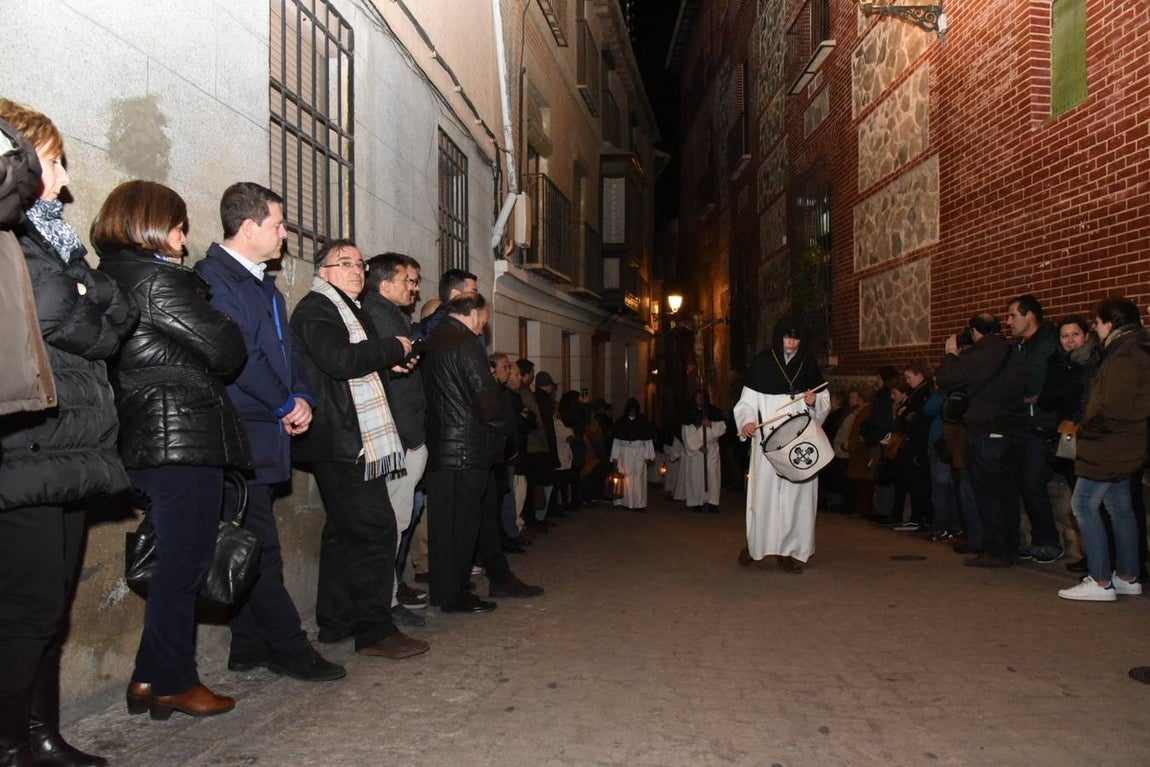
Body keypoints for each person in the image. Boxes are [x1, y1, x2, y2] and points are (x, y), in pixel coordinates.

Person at [0, 100, 134, 767]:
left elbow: (114, 314)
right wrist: (86, 299)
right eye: (53, 163)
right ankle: (8, 744)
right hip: (24, 445)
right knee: (26, 607)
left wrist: (87, 297)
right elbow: (61, 311)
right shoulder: (13, 236)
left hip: (71, 442)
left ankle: (40, 734)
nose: (64, 180)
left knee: (49, 607)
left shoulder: (54, 240)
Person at [94, 180, 251, 720]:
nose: (185, 239)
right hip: (177, 437)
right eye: (181, 225)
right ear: (155, 225)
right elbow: (227, 350)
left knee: (172, 563)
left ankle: (146, 678)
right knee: (184, 565)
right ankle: (174, 682)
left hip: (151, 436)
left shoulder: (113, 275)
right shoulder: (158, 281)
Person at [193, 182, 345, 682]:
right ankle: (288, 646)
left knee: (247, 537)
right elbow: (238, 356)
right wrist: (283, 402)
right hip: (239, 430)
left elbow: (290, 352)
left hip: (270, 426)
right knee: (259, 546)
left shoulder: (264, 284)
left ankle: (248, 642)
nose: (285, 234)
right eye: (278, 224)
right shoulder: (213, 279)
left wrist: (303, 396)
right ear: (248, 226)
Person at [290, 239, 428, 659]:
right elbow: (338, 360)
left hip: (350, 437)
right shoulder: (316, 307)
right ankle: (374, 630)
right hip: (342, 439)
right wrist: (393, 348)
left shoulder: (349, 309)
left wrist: (390, 362)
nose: (355, 270)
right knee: (377, 528)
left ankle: (335, 623)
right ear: (324, 270)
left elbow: (357, 369)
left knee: (343, 534)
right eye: (343, 262)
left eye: (359, 263)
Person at [422, 293, 541, 612]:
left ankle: (444, 591)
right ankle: (456, 594)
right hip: (467, 448)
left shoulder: (433, 338)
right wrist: (506, 429)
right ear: (473, 314)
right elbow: (486, 395)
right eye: (484, 321)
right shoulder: (465, 343)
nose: (482, 328)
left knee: (444, 527)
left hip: (441, 446)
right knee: (463, 526)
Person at [1057, 298, 1150, 601]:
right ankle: (1127, 575)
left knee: (1082, 505)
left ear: (1110, 324)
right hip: (1124, 443)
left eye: (1096, 323)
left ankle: (1099, 581)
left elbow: (1113, 407)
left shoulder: (1126, 355)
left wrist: (1086, 431)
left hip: (1110, 445)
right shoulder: (1133, 349)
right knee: (1120, 508)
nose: (1095, 329)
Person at [361, 253, 430, 624]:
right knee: (390, 524)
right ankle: (383, 604)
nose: (415, 288)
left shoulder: (392, 315)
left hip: (407, 435)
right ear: (386, 284)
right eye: (410, 281)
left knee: (398, 522)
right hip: (397, 437)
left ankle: (388, 597)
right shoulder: (379, 317)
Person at [734, 316, 830, 573]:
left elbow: (823, 403)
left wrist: (813, 403)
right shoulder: (762, 363)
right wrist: (747, 422)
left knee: (796, 498)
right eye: (788, 338)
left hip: (799, 443)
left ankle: (790, 552)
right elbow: (746, 404)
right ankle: (757, 546)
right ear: (779, 338)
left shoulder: (808, 364)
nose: (791, 343)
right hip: (768, 443)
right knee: (764, 496)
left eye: (796, 338)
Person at [935, 313, 1026, 568]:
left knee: (988, 494)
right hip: (1014, 432)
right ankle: (1010, 547)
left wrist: (951, 353)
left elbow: (944, 379)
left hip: (986, 434)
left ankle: (995, 551)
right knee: (1008, 493)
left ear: (975, 331)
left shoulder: (975, 356)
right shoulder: (1014, 353)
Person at [1037, 316, 1100, 573]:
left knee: (1091, 503)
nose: (1070, 341)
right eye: (1065, 336)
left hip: (1088, 437)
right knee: (1078, 498)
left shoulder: (1093, 362)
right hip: (1067, 435)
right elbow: (1048, 399)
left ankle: (1101, 560)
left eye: (1075, 334)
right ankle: (1092, 556)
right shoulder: (1059, 363)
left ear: (1085, 335)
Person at [1005, 294, 1062, 562]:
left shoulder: (1047, 343)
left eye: (1013, 316)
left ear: (1029, 316)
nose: (1009, 322)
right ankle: (1040, 540)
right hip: (1025, 422)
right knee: (1024, 483)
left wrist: (1028, 393)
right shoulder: (1021, 346)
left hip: (1043, 424)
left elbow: (1034, 381)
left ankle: (1049, 541)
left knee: (1031, 482)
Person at [681, 390, 726, 512]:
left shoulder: (714, 411)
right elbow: (686, 432)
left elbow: (722, 428)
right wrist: (698, 446)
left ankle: (712, 503)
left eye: (701, 397)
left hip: (711, 449)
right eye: (697, 397)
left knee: (713, 475)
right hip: (697, 451)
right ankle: (697, 502)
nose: (699, 400)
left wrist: (710, 424)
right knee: (696, 476)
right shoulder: (689, 413)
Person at [609, 398, 656, 511]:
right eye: (630, 410)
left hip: (639, 452)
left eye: (634, 410)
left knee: (639, 477)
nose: (632, 412)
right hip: (625, 452)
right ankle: (625, 502)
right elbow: (617, 441)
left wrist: (648, 456)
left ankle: (639, 504)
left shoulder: (643, 421)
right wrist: (614, 457)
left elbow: (648, 440)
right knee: (625, 476)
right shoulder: (621, 422)